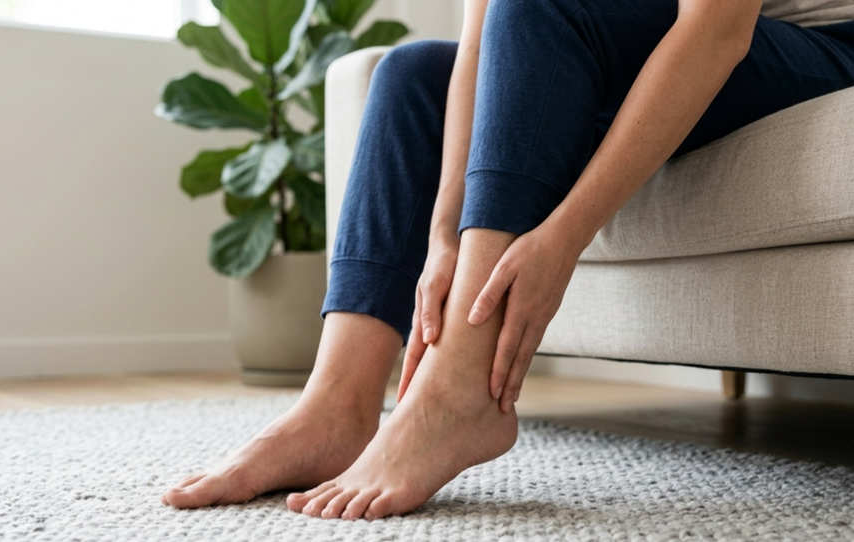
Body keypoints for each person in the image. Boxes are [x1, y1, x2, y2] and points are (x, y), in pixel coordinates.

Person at [161, 0, 854, 520]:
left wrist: (563, 237)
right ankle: (333, 409)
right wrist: (444, 231)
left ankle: (460, 393)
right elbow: (479, 46)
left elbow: (716, 28)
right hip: (635, 33)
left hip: (821, 45)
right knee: (411, 73)